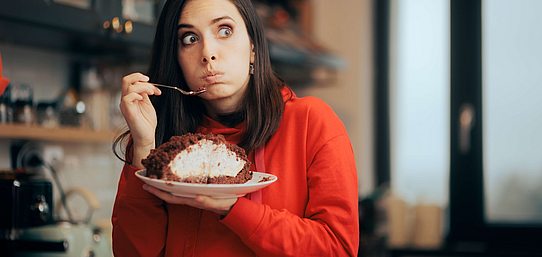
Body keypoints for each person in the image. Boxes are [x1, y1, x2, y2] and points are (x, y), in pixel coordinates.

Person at [111, 0, 359, 256]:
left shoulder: (311, 122)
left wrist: (233, 207)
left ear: (253, 47)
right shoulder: (158, 139)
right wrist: (143, 146)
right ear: (176, 57)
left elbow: (337, 248)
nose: (208, 53)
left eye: (225, 31)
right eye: (190, 38)